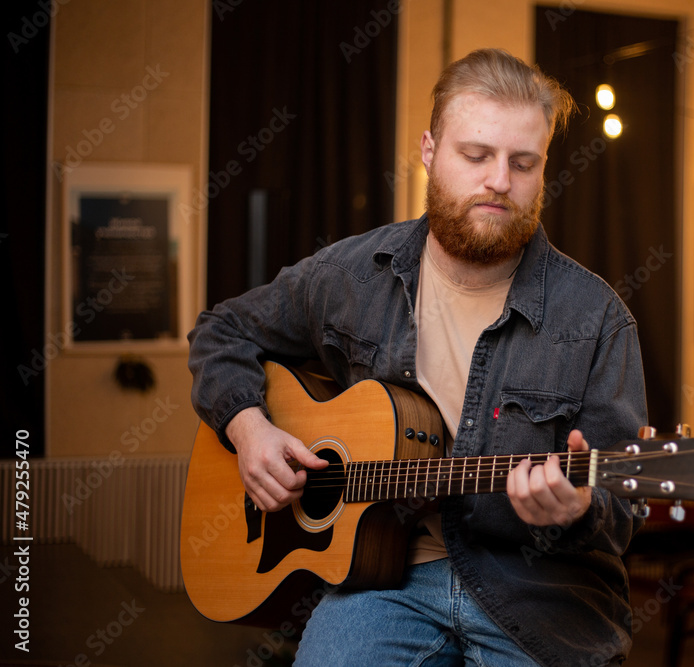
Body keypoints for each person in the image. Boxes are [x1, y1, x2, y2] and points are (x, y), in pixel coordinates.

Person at [188, 48, 648, 666]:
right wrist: (248, 429)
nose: (499, 181)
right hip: (383, 581)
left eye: (523, 163)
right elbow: (221, 330)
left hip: (541, 594)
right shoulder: (351, 275)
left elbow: (623, 510)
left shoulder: (598, 318)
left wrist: (580, 507)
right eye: (476, 155)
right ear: (430, 151)